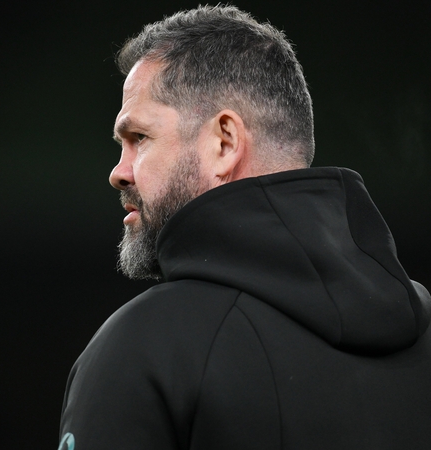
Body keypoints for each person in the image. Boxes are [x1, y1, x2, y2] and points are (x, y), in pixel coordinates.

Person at [58, 5, 431, 450]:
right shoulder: (421, 330)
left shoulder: (144, 347)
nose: (118, 172)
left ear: (225, 142)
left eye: (138, 137)